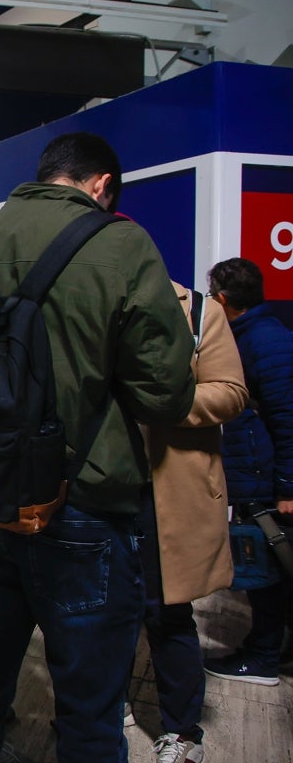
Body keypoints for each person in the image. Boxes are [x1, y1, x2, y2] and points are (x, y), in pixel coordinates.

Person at [0, 132, 196, 762]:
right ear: (101, 186)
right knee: (90, 712)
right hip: (87, 506)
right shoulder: (122, 245)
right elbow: (165, 396)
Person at [135, 280, 247, 763]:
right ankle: (104, 706)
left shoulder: (199, 312)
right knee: (102, 611)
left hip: (170, 491)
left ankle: (182, 731)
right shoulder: (87, 302)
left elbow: (231, 392)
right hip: (99, 488)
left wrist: (168, 403)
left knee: (168, 613)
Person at [204, 258, 293, 686]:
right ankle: (275, 648)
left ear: (222, 300)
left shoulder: (265, 341)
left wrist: (287, 488)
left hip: (269, 481)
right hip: (259, 475)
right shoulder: (250, 336)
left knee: (268, 574)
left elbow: (289, 417)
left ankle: (262, 659)